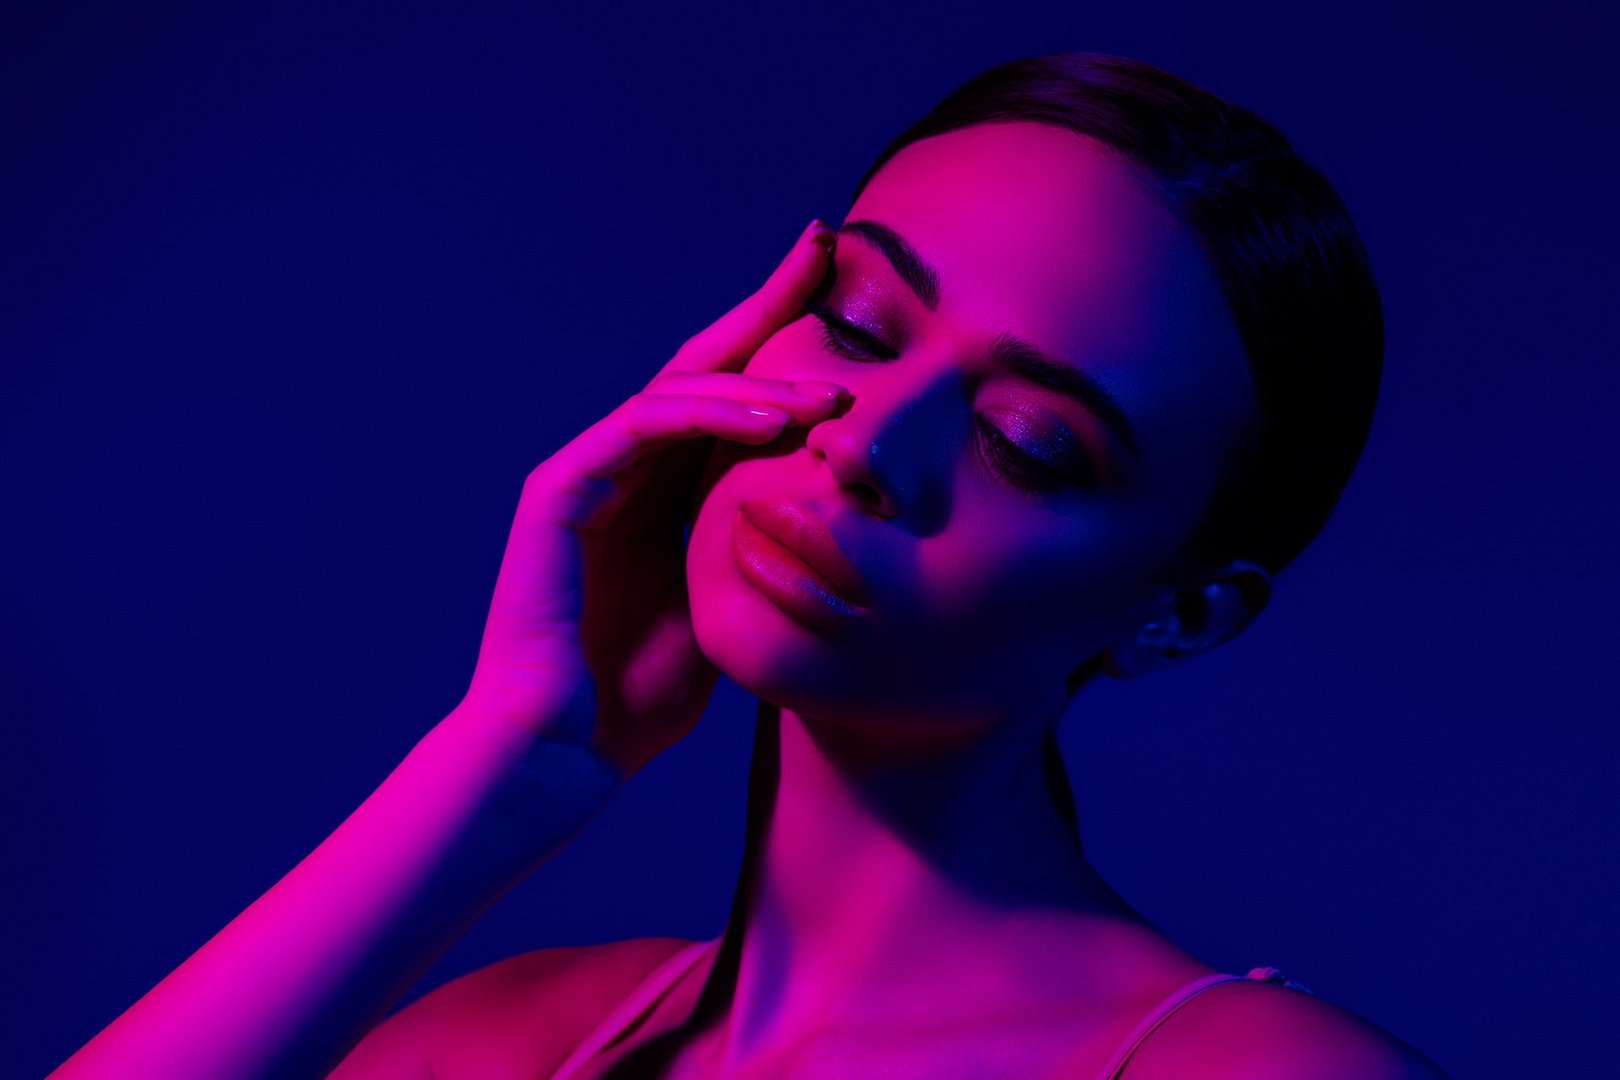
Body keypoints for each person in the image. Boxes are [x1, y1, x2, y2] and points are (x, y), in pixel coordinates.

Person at [55, 52, 1449, 1078]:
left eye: (1028, 443)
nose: (869, 447)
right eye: (854, 321)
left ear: (1186, 614)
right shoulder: (511, 1042)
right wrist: (504, 764)